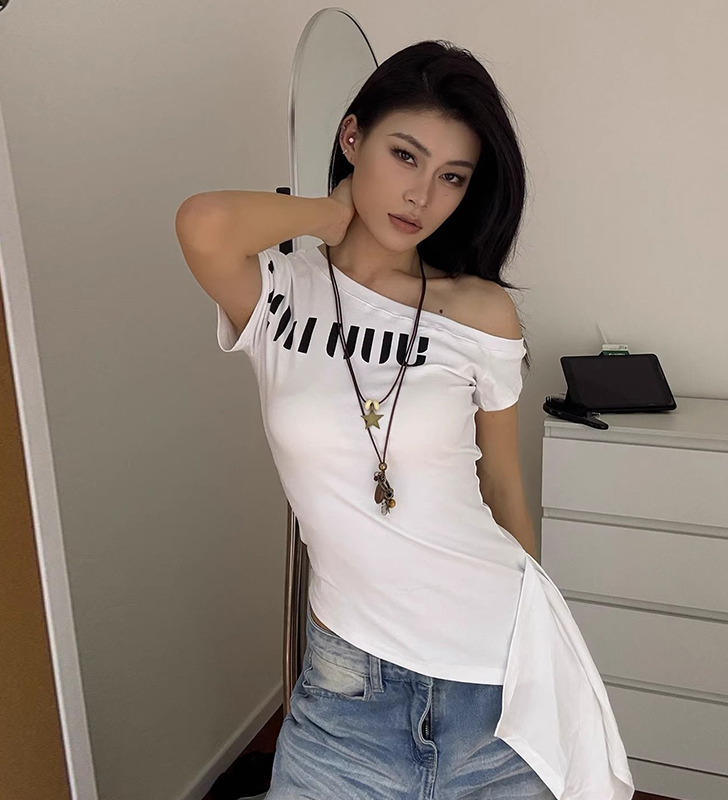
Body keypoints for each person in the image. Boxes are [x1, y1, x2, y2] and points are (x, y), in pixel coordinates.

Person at [176, 39, 634, 800]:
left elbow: (504, 487)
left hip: (494, 673)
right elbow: (202, 222)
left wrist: (536, 641)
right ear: (352, 138)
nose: (421, 195)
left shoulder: (480, 311)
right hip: (347, 691)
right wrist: (334, 212)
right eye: (404, 155)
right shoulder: (280, 292)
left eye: (452, 176)